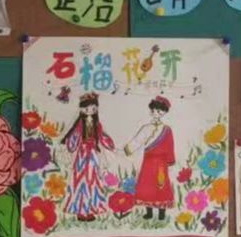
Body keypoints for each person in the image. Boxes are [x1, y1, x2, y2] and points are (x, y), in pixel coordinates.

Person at [61, 93, 114, 221]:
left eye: (94, 108)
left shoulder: (97, 124)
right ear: (81, 109)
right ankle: (80, 210)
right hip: (82, 155)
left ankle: (91, 209)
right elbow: (73, 140)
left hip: (93, 154)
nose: (90, 111)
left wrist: (109, 144)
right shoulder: (79, 125)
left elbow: (102, 136)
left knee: (93, 181)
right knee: (81, 181)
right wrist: (71, 144)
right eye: (87, 108)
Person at [124, 95, 176, 220]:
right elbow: (137, 141)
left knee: (161, 185)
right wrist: (128, 149)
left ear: (164, 112)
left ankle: (162, 213)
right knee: (147, 185)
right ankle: (149, 212)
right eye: (154, 110)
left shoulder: (167, 130)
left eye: (159, 111)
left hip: (161, 163)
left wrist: (170, 160)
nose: (156, 113)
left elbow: (170, 146)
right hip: (148, 160)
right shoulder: (146, 128)